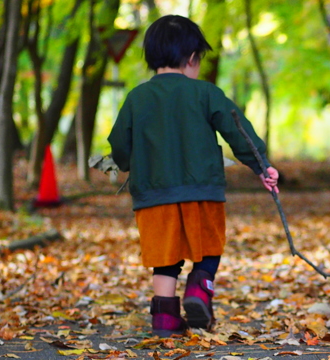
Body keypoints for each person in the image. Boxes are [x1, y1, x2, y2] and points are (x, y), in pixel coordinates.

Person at [109, 15, 279, 337]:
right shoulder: (206, 93)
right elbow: (236, 130)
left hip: (153, 194)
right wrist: (261, 165)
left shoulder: (136, 98)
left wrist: (126, 162)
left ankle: (164, 317)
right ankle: (200, 290)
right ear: (191, 58)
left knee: (165, 255)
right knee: (210, 245)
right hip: (202, 189)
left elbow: (120, 143)